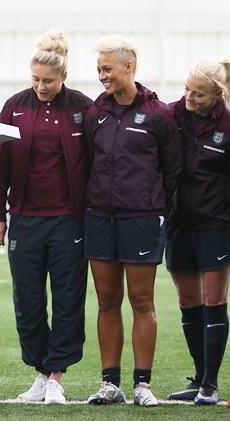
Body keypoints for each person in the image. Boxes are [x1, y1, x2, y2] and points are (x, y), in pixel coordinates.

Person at [0, 31, 92, 405]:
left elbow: (97, 162)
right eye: (35, 79)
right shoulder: (14, 106)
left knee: (67, 300)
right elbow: (0, 162)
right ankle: (39, 373)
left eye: (47, 81)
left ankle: (56, 377)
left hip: (69, 221)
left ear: (62, 77)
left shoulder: (82, 107)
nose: (40, 86)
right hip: (25, 220)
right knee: (28, 301)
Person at [83, 35, 182, 406]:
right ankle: (110, 383)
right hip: (99, 218)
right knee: (107, 300)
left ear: (129, 67)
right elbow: (89, 163)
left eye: (107, 69)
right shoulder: (96, 114)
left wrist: (158, 211)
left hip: (142, 218)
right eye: (98, 70)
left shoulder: (159, 114)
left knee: (142, 300)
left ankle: (143, 385)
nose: (102, 76)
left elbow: (172, 170)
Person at [165, 59, 230, 405]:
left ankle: (210, 384)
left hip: (216, 225)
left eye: (198, 93)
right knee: (187, 301)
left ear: (217, 95)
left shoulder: (228, 124)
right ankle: (198, 376)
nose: (189, 97)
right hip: (178, 223)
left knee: (214, 301)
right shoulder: (172, 115)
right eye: (187, 89)